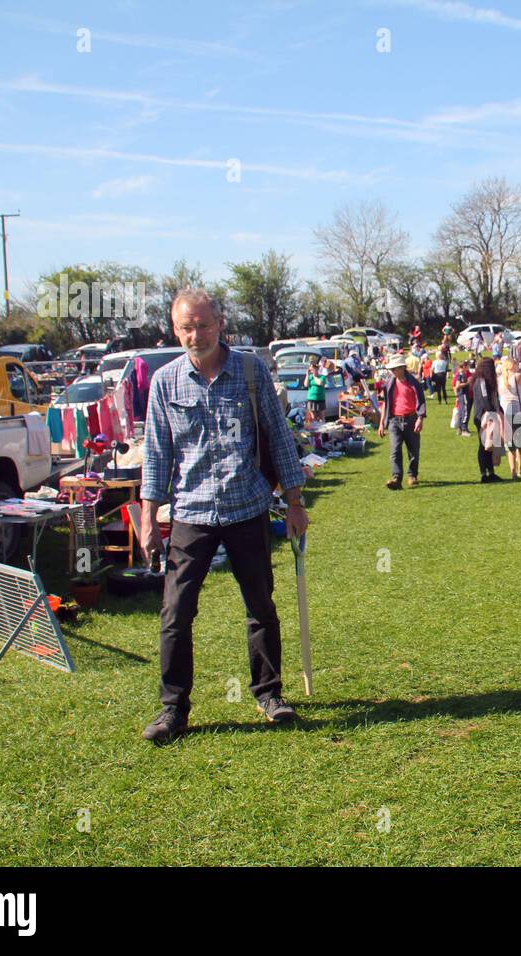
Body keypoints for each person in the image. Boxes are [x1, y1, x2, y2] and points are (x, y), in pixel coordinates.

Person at [139, 289, 308, 743]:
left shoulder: (252, 373)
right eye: (186, 328)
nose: (196, 335)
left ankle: (269, 695)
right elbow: (156, 456)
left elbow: (278, 440)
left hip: (247, 509)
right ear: (175, 330)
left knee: (260, 607)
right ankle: (173, 710)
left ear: (220, 323)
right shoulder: (165, 383)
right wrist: (147, 517)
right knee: (175, 613)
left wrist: (294, 503)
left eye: (204, 325)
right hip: (191, 513)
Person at [377, 353, 426, 490]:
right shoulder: (389, 384)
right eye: (391, 369)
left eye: (394, 368)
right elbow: (385, 404)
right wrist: (381, 423)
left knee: (413, 450)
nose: (392, 371)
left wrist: (420, 419)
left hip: (411, 419)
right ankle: (396, 478)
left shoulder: (414, 383)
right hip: (394, 420)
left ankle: (412, 475)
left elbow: (421, 402)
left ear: (402, 368)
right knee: (395, 450)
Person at [497, 357, 521, 479]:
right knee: (520, 444)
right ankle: (520, 469)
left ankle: (512, 471)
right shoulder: (518, 376)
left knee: (510, 444)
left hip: (505, 412)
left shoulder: (500, 379)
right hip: (518, 410)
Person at [470, 357, 503, 482]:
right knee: (484, 445)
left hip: (487, 415)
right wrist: (492, 413)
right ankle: (484, 474)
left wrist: (499, 410)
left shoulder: (486, 381)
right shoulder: (481, 381)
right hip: (483, 417)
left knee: (489, 444)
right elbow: (485, 399)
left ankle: (490, 472)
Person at [453, 360, 473, 435]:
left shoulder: (464, 374)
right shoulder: (460, 374)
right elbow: (457, 385)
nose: (468, 367)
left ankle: (460, 428)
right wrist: (467, 383)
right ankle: (464, 429)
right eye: (467, 366)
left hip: (464, 395)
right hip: (463, 395)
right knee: (465, 412)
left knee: (462, 412)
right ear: (464, 366)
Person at [304, 359, 326, 424]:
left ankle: (322, 428)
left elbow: (320, 383)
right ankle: (315, 429)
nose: (313, 370)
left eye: (315, 369)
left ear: (317, 369)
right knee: (313, 417)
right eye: (312, 369)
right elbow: (306, 384)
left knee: (321, 416)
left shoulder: (322, 377)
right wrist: (307, 375)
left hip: (320, 399)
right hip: (311, 399)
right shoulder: (310, 377)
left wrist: (314, 376)